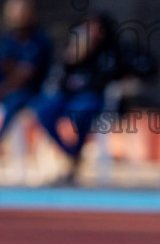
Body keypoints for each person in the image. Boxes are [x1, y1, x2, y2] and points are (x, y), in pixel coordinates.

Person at [31, 12, 126, 180]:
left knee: (82, 111)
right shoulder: (73, 46)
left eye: (95, 28)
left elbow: (107, 79)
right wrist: (75, 57)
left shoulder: (109, 51)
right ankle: (69, 152)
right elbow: (59, 77)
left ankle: (77, 150)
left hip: (90, 97)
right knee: (43, 110)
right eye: (87, 27)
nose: (90, 32)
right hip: (66, 96)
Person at [0, 0, 53, 155]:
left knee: (14, 100)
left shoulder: (40, 40)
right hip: (3, 86)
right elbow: (6, 68)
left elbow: (24, 76)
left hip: (31, 92)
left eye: (21, 11)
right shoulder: (7, 40)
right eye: (12, 11)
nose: (17, 15)